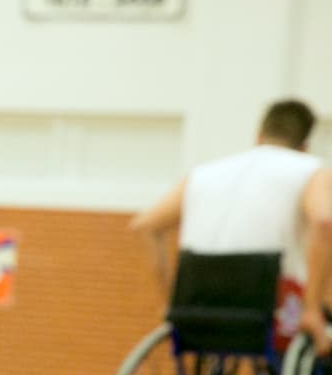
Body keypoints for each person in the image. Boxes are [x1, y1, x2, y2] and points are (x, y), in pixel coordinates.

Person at [130, 100, 332, 357]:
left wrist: (169, 301)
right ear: (304, 147)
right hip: (267, 300)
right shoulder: (312, 169)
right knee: (317, 330)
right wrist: (312, 308)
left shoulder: (204, 173)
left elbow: (144, 226)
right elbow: (325, 222)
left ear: (258, 137)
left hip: (195, 301)